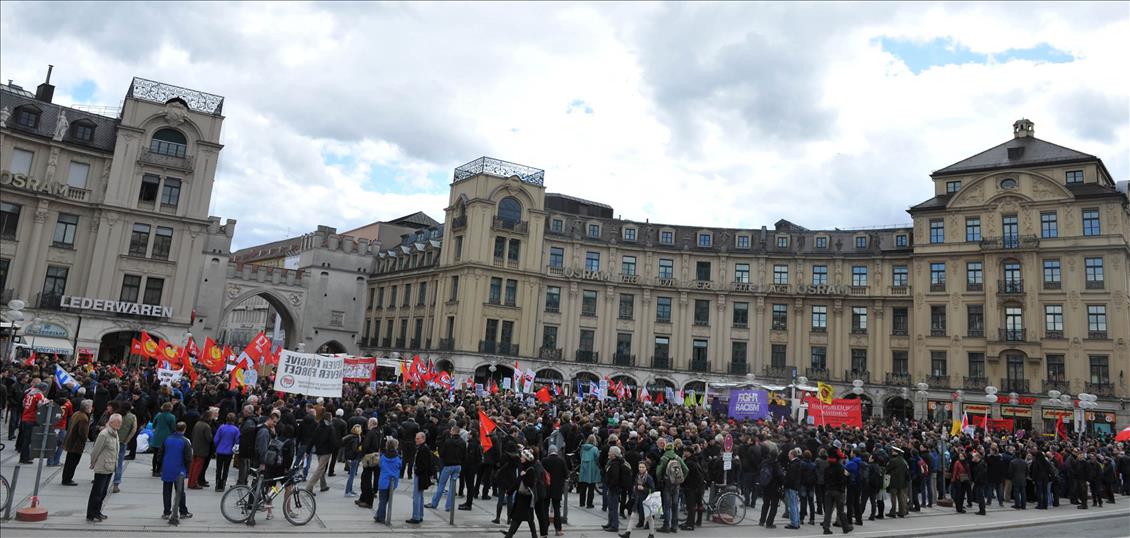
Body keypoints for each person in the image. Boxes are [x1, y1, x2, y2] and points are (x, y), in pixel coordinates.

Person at [87, 413, 121, 522]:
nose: (119, 424)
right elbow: (95, 451)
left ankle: (97, 511)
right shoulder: (104, 434)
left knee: (103, 492)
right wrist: (93, 463)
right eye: (117, 422)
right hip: (102, 466)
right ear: (111, 422)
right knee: (97, 492)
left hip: (110, 467)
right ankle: (91, 514)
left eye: (120, 422)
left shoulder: (115, 433)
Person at [159, 421, 193, 523]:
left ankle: (166, 512)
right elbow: (188, 458)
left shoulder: (167, 439)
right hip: (179, 470)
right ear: (184, 429)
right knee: (180, 492)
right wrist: (187, 470)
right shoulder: (185, 441)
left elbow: (160, 454)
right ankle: (183, 511)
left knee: (166, 491)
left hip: (167, 468)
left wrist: (162, 466)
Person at [501, 449, 538, 538]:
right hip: (521, 498)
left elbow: (530, 484)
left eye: (522, 457)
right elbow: (517, 482)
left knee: (523, 519)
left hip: (526, 499)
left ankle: (510, 535)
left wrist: (524, 475)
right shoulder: (524, 468)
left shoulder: (530, 470)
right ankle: (511, 534)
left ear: (526, 459)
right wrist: (510, 491)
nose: (521, 458)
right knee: (521, 519)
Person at [429, 423, 466, 511]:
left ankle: (434, 503)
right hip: (457, 465)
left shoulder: (448, 442)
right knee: (452, 487)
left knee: (441, 485)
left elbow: (441, 453)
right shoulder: (463, 442)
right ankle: (449, 506)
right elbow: (464, 455)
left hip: (448, 465)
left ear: (452, 432)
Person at [656, 437, 688, 533]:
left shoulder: (664, 458)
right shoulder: (678, 457)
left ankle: (666, 526)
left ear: (665, 449)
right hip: (676, 484)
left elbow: (658, 472)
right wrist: (681, 479)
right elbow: (686, 470)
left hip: (667, 484)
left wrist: (660, 480)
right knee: (675, 505)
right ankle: (674, 526)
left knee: (667, 505)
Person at [61, 399, 92, 486]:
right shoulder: (84, 418)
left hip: (71, 441)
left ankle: (66, 478)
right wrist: (84, 440)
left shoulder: (76, 414)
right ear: (87, 408)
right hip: (76, 444)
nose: (91, 408)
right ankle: (68, 479)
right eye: (90, 407)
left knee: (69, 461)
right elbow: (83, 433)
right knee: (73, 462)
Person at [305, 409, 335, 494]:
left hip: (319, 450)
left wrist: (308, 450)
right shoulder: (330, 428)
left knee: (321, 468)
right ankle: (309, 487)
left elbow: (313, 439)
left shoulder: (319, 426)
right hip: (326, 451)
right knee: (320, 469)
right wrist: (333, 449)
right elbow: (333, 441)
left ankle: (323, 485)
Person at [406, 431, 434, 524]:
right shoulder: (423, 448)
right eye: (416, 438)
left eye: (418, 438)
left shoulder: (423, 449)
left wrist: (417, 471)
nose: (416, 440)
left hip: (421, 475)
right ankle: (419, 515)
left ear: (423, 439)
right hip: (422, 475)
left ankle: (416, 516)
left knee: (417, 496)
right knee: (419, 496)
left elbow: (425, 464)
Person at [822, 449, 852, 535]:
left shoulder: (827, 468)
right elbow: (844, 481)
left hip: (828, 491)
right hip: (838, 492)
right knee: (840, 511)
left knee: (828, 511)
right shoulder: (841, 468)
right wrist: (847, 476)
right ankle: (845, 527)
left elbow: (825, 480)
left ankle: (826, 528)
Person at [543, 445, 570, 536]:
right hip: (557, 489)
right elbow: (566, 475)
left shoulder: (544, 461)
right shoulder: (561, 460)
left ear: (549, 451)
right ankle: (558, 529)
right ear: (556, 451)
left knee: (545, 509)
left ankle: (544, 529)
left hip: (546, 488)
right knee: (557, 509)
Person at [17, 382, 47, 463]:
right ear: (43, 389)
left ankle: (23, 456)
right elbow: (40, 406)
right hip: (31, 419)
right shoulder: (39, 395)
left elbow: (23, 404)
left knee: (25, 439)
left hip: (24, 417)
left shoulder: (29, 394)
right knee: (28, 440)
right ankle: (24, 458)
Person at [356, 417, 383, 508]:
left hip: (369, 457)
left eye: (368, 423)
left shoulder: (371, 433)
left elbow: (366, 445)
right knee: (367, 478)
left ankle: (368, 501)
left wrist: (362, 454)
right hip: (376, 457)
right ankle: (363, 498)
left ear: (371, 423)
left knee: (366, 479)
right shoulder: (379, 432)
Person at [111, 401, 137, 493]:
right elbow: (133, 430)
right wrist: (127, 440)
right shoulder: (132, 417)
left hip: (112, 440)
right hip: (123, 441)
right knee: (119, 463)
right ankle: (116, 484)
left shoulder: (115, 415)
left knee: (108, 460)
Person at [375, 437, 402, 523]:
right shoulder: (398, 458)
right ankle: (379, 515)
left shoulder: (383, 456)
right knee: (386, 500)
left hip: (383, 481)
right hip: (393, 482)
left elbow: (380, 465)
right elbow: (400, 467)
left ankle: (380, 516)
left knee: (382, 500)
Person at [604, 445, 630, 532]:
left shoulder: (615, 463)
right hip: (614, 487)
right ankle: (610, 523)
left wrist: (610, 485)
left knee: (613, 507)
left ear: (614, 454)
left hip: (614, 488)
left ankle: (614, 525)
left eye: (610, 452)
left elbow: (615, 477)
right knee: (611, 506)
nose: (608, 453)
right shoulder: (615, 462)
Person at [188, 407, 215, 489]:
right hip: (202, 448)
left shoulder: (198, 423)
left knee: (193, 465)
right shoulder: (206, 426)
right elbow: (209, 439)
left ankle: (190, 482)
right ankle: (194, 483)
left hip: (195, 447)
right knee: (198, 467)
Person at [213, 412, 240, 491]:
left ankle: (217, 484)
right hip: (229, 451)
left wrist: (217, 446)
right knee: (226, 468)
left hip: (220, 450)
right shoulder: (236, 429)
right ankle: (223, 484)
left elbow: (216, 439)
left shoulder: (221, 427)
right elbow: (237, 441)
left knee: (219, 468)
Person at [150, 402, 176, 476]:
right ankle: (159, 470)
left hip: (157, 436)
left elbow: (154, 425)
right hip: (166, 437)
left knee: (155, 455)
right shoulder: (172, 417)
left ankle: (154, 470)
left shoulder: (158, 415)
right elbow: (173, 428)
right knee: (163, 455)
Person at [784, 447, 805, 530]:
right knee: (795, 505)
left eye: (789, 454)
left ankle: (794, 523)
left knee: (792, 505)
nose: (788, 456)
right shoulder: (799, 463)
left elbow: (791, 477)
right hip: (797, 486)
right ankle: (797, 521)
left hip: (791, 486)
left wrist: (785, 483)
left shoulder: (793, 464)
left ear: (792, 455)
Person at [885, 446, 909, 518]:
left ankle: (893, 512)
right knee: (901, 497)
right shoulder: (904, 461)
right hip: (902, 482)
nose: (892, 452)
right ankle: (902, 512)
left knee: (893, 497)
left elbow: (887, 469)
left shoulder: (892, 460)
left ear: (896, 452)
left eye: (893, 451)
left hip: (893, 481)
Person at [578, 434, 601, 509]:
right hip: (592, 469)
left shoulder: (583, 448)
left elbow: (581, 456)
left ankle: (581, 503)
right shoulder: (595, 449)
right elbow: (597, 458)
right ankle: (589, 503)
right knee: (591, 487)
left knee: (583, 487)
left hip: (583, 468)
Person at [342, 423, 364, 497]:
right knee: (351, 475)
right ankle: (348, 491)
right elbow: (355, 449)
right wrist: (360, 449)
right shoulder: (356, 439)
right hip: (353, 458)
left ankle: (350, 490)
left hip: (349, 457)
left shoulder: (350, 437)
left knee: (352, 475)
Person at [970, 450, 988, 515]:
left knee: (980, 496)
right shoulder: (979, 463)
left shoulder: (981, 464)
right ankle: (981, 509)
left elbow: (980, 475)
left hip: (980, 483)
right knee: (980, 496)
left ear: (977, 457)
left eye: (974, 457)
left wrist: (976, 481)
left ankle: (982, 510)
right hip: (980, 482)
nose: (973, 458)